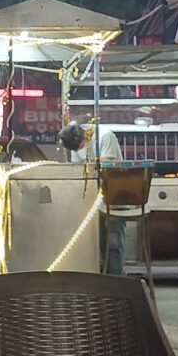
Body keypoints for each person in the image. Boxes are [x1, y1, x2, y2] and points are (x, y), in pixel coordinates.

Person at [57, 117, 127, 275]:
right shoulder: (77, 146)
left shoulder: (105, 137)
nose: (77, 151)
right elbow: (79, 170)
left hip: (112, 197)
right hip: (92, 200)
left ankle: (116, 278)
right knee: (94, 241)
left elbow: (108, 167)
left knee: (113, 240)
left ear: (84, 137)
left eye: (78, 147)